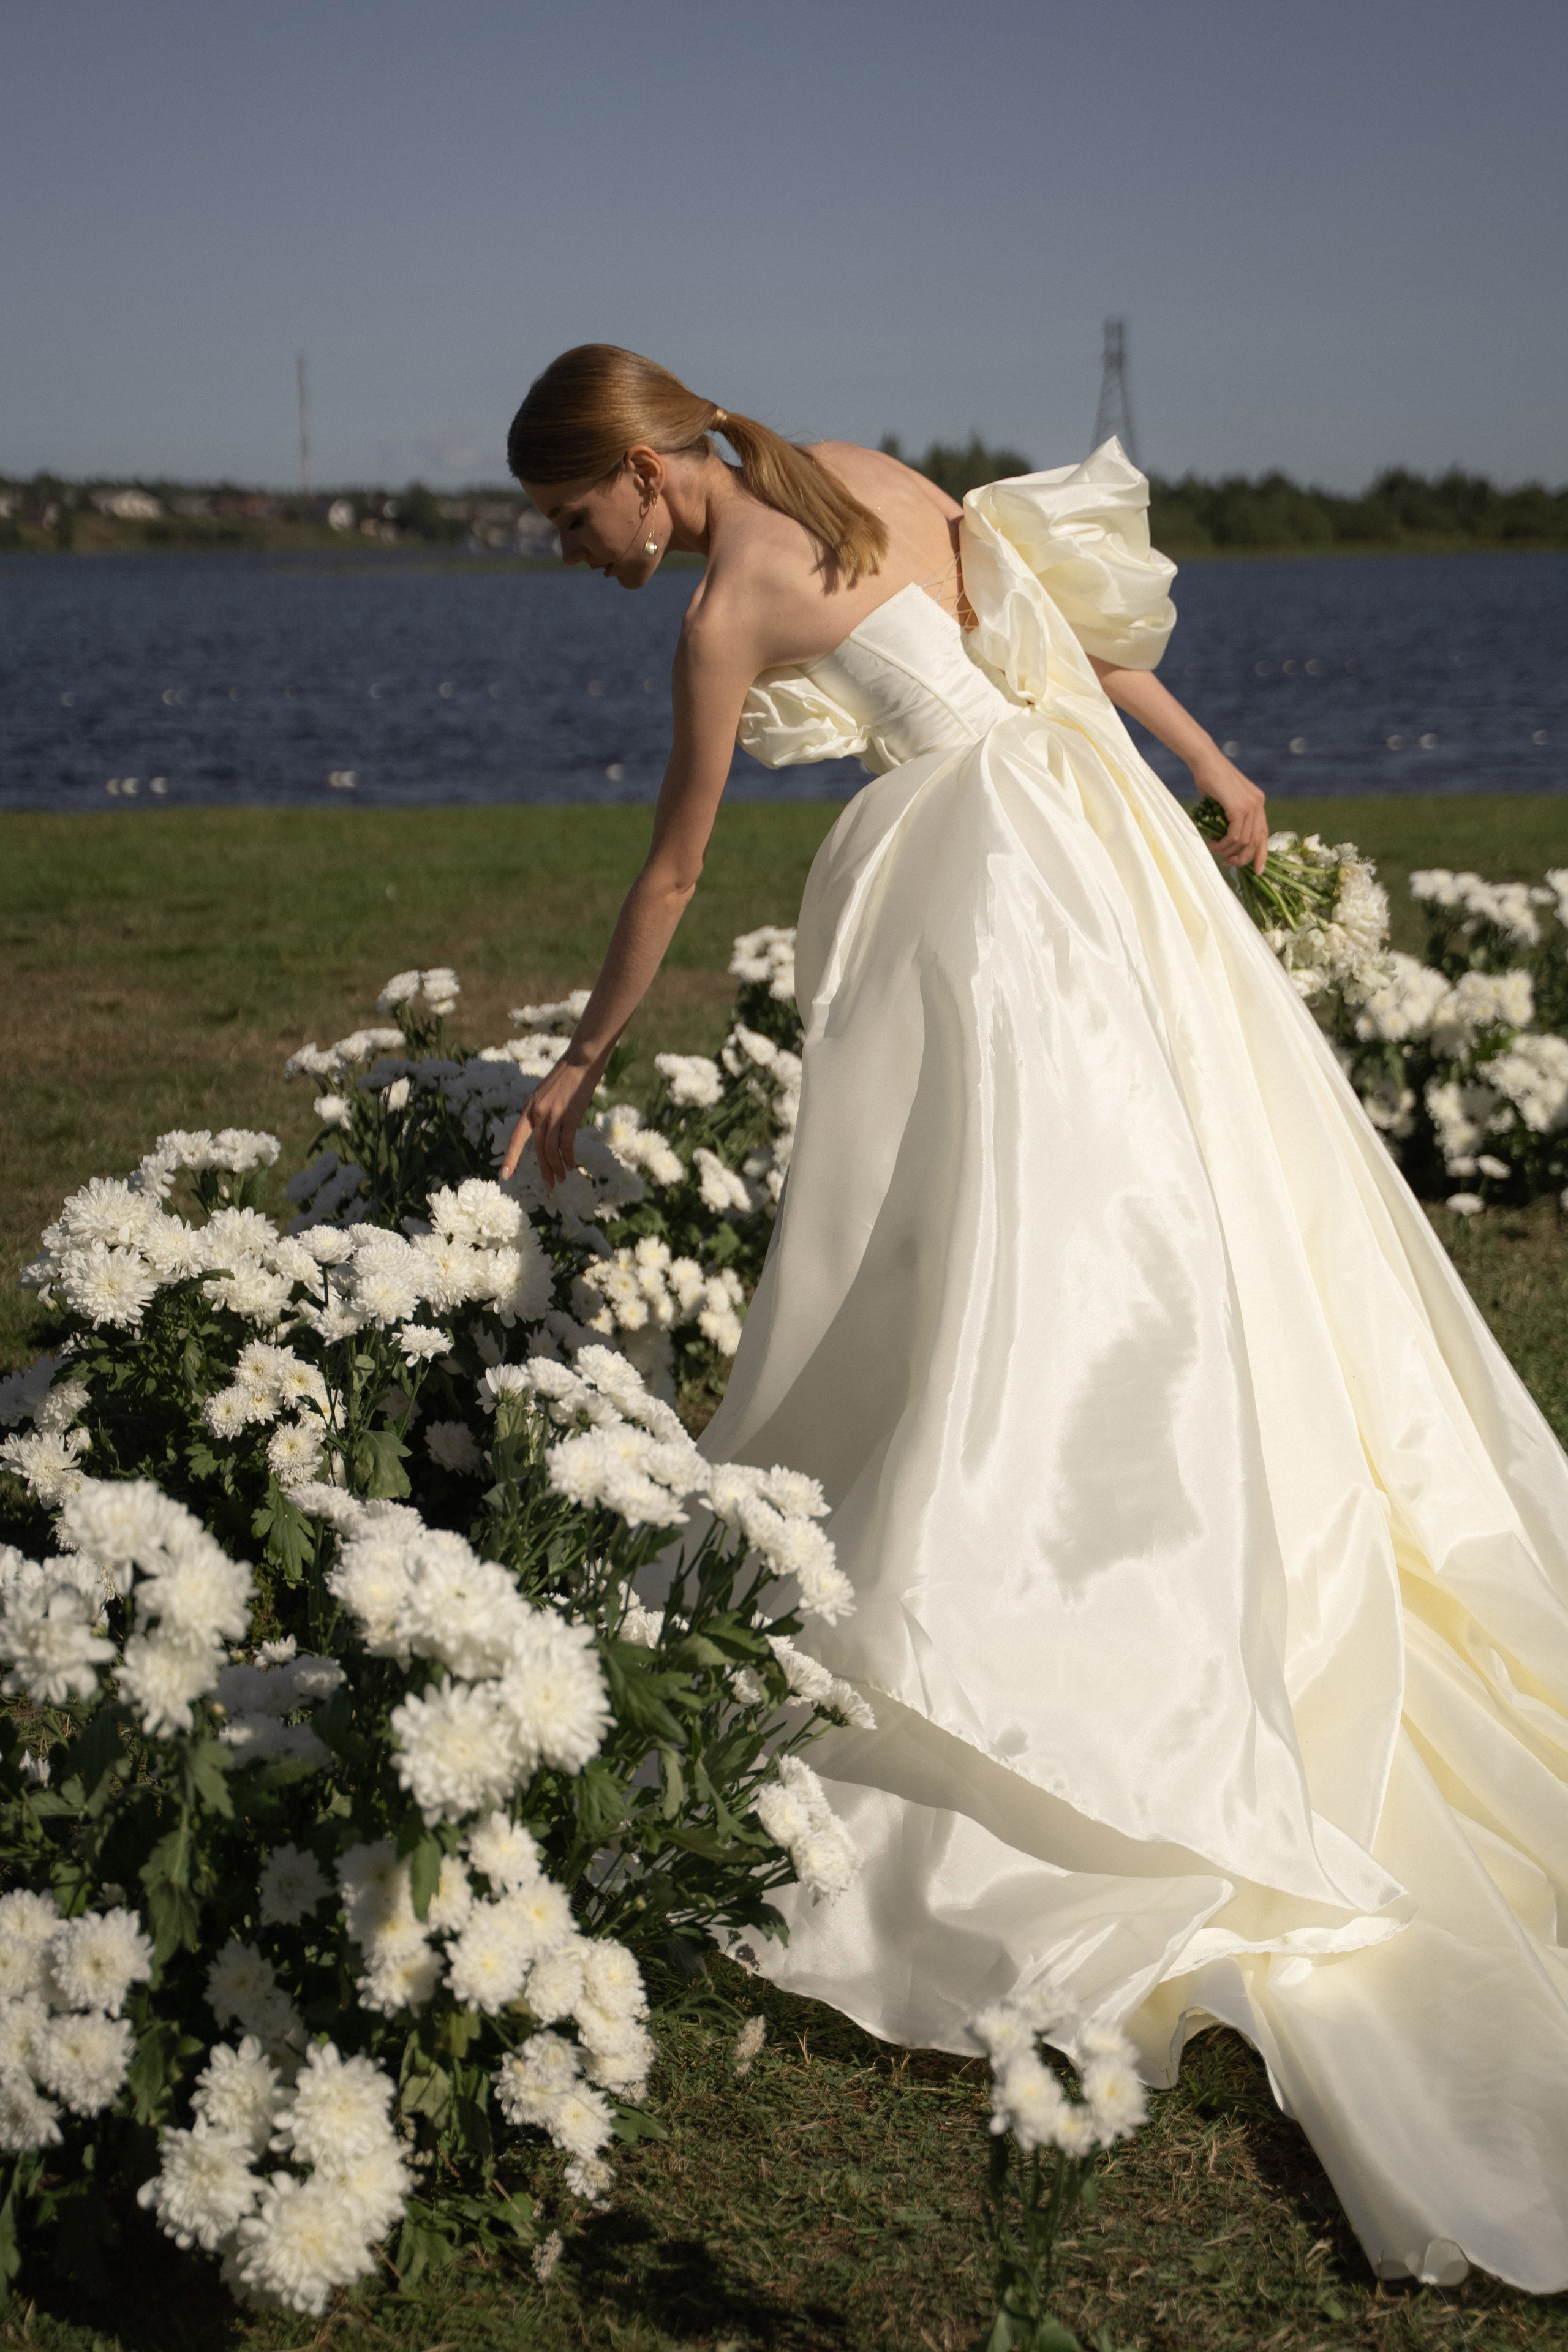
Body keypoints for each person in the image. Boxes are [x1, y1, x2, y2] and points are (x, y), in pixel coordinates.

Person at [502, 344, 1568, 2293]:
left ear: (643, 476)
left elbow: (671, 869)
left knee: (1006, 1233)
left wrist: (578, 1063)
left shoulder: (730, 605)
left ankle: (1028, 1584)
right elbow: (1054, 616)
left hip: (986, 891)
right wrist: (1213, 766)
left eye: (574, 522)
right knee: (1157, 1205)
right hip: (1093, 848)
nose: (576, 559)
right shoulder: (859, 472)